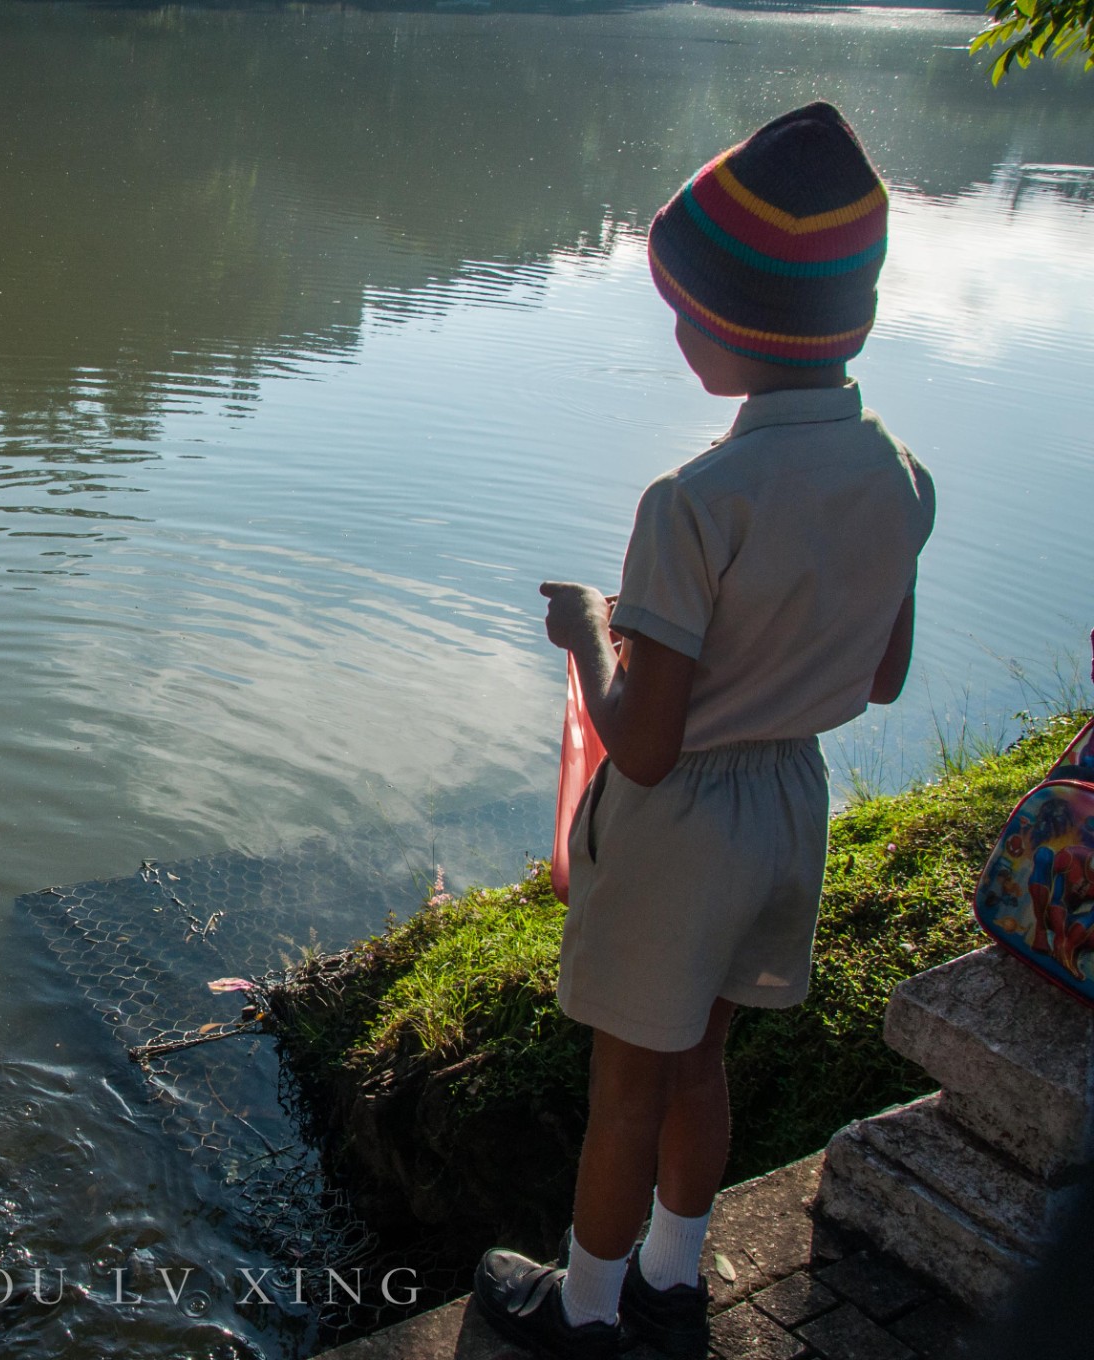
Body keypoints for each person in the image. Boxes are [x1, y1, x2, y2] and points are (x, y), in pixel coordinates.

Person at [472, 102, 935, 1360]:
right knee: (704, 1060)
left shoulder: (691, 501)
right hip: (790, 807)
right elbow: (880, 673)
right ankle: (676, 1279)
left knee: (623, 1085)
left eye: (685, 312)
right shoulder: (898, 475)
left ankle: (578, 1314)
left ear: (731, 328)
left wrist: (582, 632)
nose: (674, 333)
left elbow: (647, 743)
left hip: (682, 831)